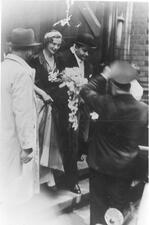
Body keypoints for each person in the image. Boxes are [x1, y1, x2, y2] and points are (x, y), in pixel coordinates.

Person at [80, 61, 148, 225]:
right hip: (125, 169)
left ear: (112, 84)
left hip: (100, 166)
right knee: (117, 212)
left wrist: (104, 75)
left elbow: (85, 90)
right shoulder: (143, 109)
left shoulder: (105, 103)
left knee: (98, 209)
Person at [0, 28, 41, 204]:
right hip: (14, 141)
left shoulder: (3, 67)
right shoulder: (22, 73)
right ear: (28, 50)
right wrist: (27, 146)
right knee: (15, 191)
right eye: (31, 49)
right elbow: (23, 113)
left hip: (4, 135)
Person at [57, 33, 96, 194]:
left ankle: (71, 177)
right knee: (69, 144)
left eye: (88, 52)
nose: (87, 55)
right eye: (84, 51)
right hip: (66, 109)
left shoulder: (89, 66)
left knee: (82, 140)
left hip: (83, 109)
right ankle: (71, 181)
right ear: (76, 47)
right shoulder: (63, 58)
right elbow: (57, 82)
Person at [29, 30, 64, 190]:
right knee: (39, 140)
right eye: (53, 44)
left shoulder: (59, 59)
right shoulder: (35, 59)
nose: (55, 47)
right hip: (38, 103)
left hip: (54, 104)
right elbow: (28, 81)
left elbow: (61, 79)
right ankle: (35, 180)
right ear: (46, 42)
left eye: (58, 45)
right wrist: (42, 93)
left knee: (50, 142)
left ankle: (47, 179)